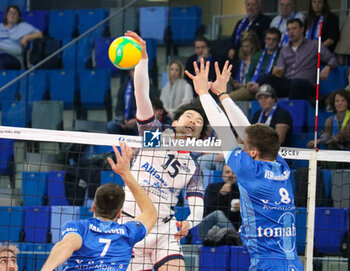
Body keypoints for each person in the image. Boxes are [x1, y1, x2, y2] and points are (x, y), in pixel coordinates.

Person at [185, 58, 304, 270]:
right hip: (292, 262)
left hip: (267, 264)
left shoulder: (251, 171)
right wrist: (223, 95)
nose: (241, 145)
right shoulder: (280, 165)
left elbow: (223, 130)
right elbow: (247, 132)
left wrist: (203, 93)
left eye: (245, 146)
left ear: (253, 152)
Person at [121, 31, 206, 271]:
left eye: (198, 122)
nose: (193, 121)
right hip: (131, 225)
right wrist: (142, 60)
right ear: (175, 122)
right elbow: (141, 96)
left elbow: (197, 205)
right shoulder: (154, 135)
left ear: (199, 136)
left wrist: (189, 222)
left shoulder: (193, 168)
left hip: (164, 232)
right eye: (188, 116)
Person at [41, 142, 157, 271]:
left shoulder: (78, 227)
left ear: (93, 207)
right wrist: (126, 174)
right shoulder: (128, 233)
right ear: (119, 213)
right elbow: (150, 213)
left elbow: (66, 245)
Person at [258, 18, 337, 101]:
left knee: (295, 83)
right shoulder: (284, 50)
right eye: (289, 30)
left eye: (294, 29)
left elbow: (333, 58)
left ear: (302, 29)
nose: (291, 32)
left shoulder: (314, 45)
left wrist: (328, 67)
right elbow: (281, 69)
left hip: (306, 85)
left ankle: (293, 109)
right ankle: (267, 108)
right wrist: (276, 71)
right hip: (288, 83)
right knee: (264, 78)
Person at [229, 28, 281, 100]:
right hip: (251, 88)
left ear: (279, 41)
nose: (271, 42)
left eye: (274, 39)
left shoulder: (282, 55)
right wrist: (249, 84)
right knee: (227, 99)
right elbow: (250, 74)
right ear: (265, 40)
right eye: (268, 39)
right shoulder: (258, 55)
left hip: (268, 88)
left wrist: (259, 85)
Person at [197, 165, 241, 241]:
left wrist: (243, 209)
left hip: (229, 231)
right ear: (222, 174)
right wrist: (221, 194)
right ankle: (237, 239)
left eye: (233, 173)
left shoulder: (241, 192)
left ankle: (236, 238)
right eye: (227, 172)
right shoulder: (212, 187)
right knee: (218, 214)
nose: (230, 175)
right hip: (208, 229)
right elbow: (207, 210)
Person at [0, 5, 43, 69]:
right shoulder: (0, 26)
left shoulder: (23, 26)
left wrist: (26, 37)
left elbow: (40, 34)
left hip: (14, 56)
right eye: (10, 12)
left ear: (18, 17)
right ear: (6, 15)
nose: (12, 15)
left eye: (15, 13)